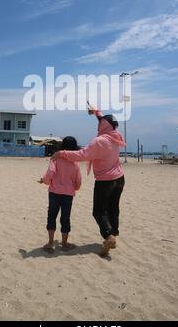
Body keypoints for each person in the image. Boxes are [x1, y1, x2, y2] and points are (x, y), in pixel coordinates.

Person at [52, 106, 126, 257]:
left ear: (103, 126)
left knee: (98, 211)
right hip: (119, 179)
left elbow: (81, 155)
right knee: (113, 208)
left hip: (105, 181)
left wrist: (62, 153)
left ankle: (108, 236)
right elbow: (105, 121)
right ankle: (113, 234)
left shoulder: (99, 141)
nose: (98, 125)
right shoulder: (116, 136)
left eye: (99, 123)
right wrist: (96, 112)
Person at [38, 136, 81, 254]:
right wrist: (73, 188)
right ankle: (65, 244)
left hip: (54, 193)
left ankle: (51, 243)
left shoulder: (55, 159)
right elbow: (78, 183)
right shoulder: (75, 163)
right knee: (65, 218)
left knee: (51, 216)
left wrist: (44, 180)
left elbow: (50, 174)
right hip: (68, 194)